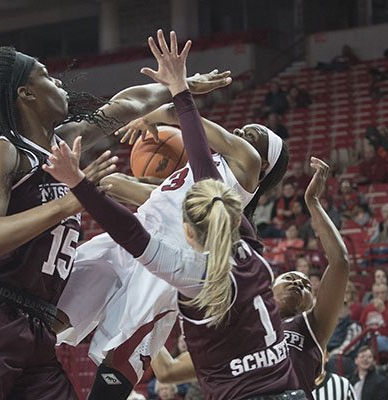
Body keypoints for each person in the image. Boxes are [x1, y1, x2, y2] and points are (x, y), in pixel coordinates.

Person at [0, 38, 230, 400]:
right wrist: (69, 203)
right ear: (26, 94)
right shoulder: (4, 151)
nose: (60, 83)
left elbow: (127, 105)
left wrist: (179, 87)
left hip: (36, 329)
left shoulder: (64, 143)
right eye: (47, 77)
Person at [46, 30, 303, 399]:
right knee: (59, 304)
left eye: (254, 137)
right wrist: (149, 126)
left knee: (126, 342)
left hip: (177, 256)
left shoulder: (242, 169)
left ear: (263, 164)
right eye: (245, 129)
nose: (243, 132)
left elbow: (191, 125)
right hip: (139, 230)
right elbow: (165, 189)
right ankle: (15, 363)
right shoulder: (207, 166)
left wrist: (177, 93)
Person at [125, 157, 351, 400]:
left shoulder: (311, 327)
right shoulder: (236, 327)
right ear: (268, 287)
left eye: (307, 286)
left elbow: (339, 262)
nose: (299, 283)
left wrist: (313, 202)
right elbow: (167, 371)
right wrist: (142, 314)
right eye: (291, 277)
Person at [359, 283, 388, 353]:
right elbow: (361, 326)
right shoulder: (368, 308)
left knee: (376, 341)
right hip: (368, 339)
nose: (380, 296)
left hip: (386, 340)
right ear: (373, 295)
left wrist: (383, 311)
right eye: (377, 293)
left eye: (383, 293)